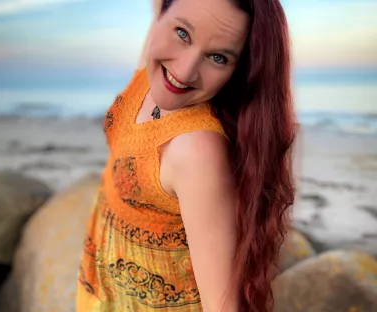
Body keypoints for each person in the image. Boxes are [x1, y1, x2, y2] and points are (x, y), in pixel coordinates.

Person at [76, 0, 296, 311]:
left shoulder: (196, 150)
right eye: (182, 33)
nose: (184, 70)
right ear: (162, 14)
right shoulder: (155, 71)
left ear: (238, 70)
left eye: (218, 57)